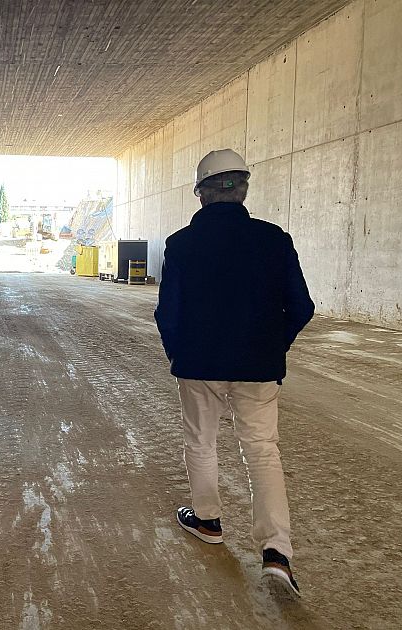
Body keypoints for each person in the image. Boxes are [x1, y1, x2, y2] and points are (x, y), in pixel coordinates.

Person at [154, 149, 314, 598]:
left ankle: (207, 521)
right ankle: (276, 553)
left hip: (199, 365)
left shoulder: (181, 244)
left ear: (201, 194)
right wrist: (270, 347)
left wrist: (179, 355)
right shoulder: (274, 239)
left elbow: (168, 313)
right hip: (258, 367)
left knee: (201, 441)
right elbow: (301, 307)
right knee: (262, 451)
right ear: (242, 188)